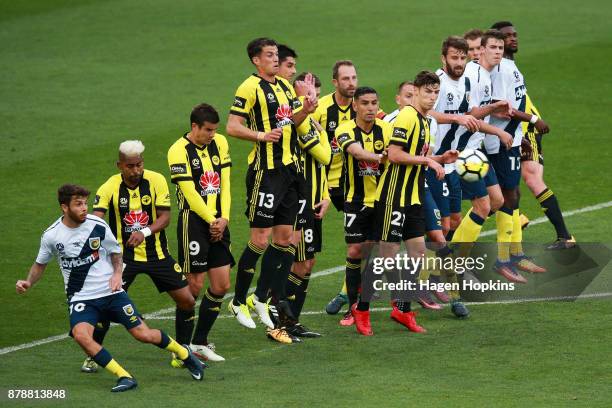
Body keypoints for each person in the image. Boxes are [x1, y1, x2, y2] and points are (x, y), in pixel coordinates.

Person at [16, 184, 203, 392]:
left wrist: (117, 274)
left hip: (111, 293)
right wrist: (28, 282)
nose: (84, 208)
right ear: (64, 207)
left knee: (143, 334)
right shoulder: (52, 235)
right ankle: (124, 376)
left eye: (85, 203)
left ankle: (186, 356)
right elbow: (40, 264)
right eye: (78, 204)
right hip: (81, 298)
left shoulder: (97, 225)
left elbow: (115, 252)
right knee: (81, 336)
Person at [226, 37, 317, 344]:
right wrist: (261, 135)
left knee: (283, 239)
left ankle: (262, 300)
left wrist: (306, 109)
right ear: (256, 60)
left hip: (290, 173)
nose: (275, 59)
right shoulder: (248, 87)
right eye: (269, 55)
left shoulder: (282, 86)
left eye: (277, 55)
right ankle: (239, 300)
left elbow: (291, 122)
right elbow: (232, 126)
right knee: (260, 240)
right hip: (266, 173)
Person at [354, 71, 458, 336]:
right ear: (418, 91)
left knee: (418, 254)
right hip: (392, 197)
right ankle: (362, 310)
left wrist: (441, 158)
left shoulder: (424, 121)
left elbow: (418, 154)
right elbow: (396, 155)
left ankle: (401, 308)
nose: (432, 97)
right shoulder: (408, 117)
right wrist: (428, 161)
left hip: (413, 197)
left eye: (436, 93)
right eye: (428, 92)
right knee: (385, 258)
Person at [81, 140, 196, 372]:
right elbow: (97, 219)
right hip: (122, 259)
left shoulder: (156, 180)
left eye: (139, 165)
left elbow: (165, 217)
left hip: (157, 254)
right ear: (119, 165)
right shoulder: (109, 187)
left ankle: (183, 350)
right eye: (130, 166)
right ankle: (94, 356)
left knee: (187, 300)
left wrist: (143, 232)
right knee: (104, 305)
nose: (136, 171)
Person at [491, 20, 575, 249]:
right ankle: (517, 221)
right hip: (518, 127)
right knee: (499, 182)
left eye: (515, 34)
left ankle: (564, 236)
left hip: (525, 129)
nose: (514, 38)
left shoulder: (507, 66)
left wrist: (532, 122)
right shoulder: (502, 65)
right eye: (508, 36)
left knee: (531, 178)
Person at [167, 103, 234, 361]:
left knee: (221, 284)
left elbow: (225, 183)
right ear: (194, 126)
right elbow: (189, 192)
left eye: (215, 130)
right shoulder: (178, 150)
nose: (212, 134)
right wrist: (211, 220)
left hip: (219, 220)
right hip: (193, 222)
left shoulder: (220, 143)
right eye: (207, 130)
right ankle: (181, 351)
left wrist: (224, 218)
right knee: (193, 285)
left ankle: (199, 341)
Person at [483, 26, 547, 280]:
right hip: (498, 143)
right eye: (500, 41)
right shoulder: (500, 71)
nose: (510, 41)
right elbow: (502, 108)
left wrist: (520, 138)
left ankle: (516, 254)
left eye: (511, 37)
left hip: (509, 140)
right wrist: (533, 120)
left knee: (513, 195)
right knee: (501, 199)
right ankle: (502, 259)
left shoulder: (510, 67)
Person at [334, 86, 390, 326]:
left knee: (377, 252)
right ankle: (352, 307)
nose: (370, 108)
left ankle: (364, 302)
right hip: (355, 201)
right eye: (365, 103)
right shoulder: (344, 129)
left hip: (381, 200)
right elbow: (355, 152)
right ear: (355, 105)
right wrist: (379, 157)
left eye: (374, 103)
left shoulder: (386, 129)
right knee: (355, 252)